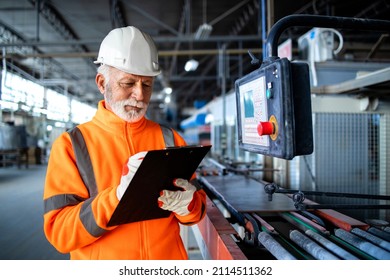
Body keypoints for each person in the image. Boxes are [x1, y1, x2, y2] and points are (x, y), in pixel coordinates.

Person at [43, 26, 206, 260]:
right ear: (101, 83)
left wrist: (189, 205)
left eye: (147, 84)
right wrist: (117, 199)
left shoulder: (170, 138)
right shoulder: (72, 145)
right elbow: (60, 232)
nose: (139, 95)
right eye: (128, 83)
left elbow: (197, 212)